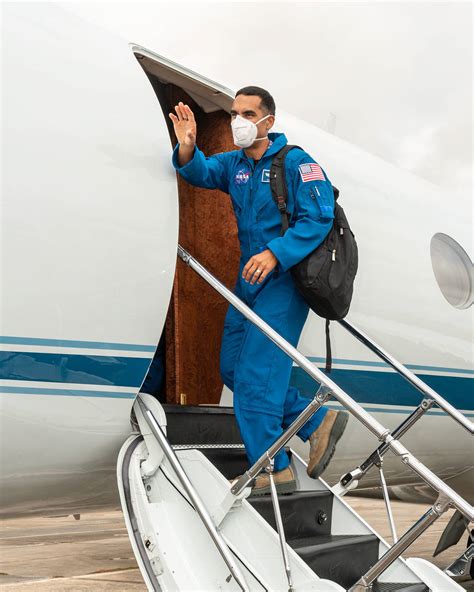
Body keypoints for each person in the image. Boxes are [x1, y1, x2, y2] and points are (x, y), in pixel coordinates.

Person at [169, 87, 348, 495]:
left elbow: (318, 217)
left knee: (253, 376)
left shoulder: (296, 163)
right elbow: (198, 172)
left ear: (268, 121)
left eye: (248, 113)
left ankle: (274, 468)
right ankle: (315, 420)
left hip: (282, 283)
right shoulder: (234, 165)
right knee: (231, 367)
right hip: (248, 281)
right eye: (234, 113)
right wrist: (188, 146)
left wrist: (275, 253)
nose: (238, 122)